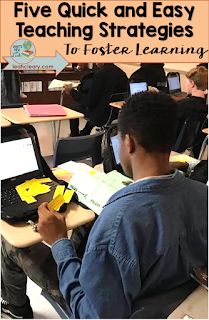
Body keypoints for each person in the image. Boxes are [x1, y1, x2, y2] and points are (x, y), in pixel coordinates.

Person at [1, 93, 207, 319]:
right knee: (85, 229)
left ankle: (17, 310)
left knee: (13, 246)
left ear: (128, 142)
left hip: (113, 309)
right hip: (167, 303)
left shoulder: (118, 223)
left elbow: (90, 314)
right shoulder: (202, 194)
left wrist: (59, 242)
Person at [65, 63, 128, 136]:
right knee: (97, 106)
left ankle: (74, 135)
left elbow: (89, 102)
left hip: (101, 115)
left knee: (73, 108)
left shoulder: (100, 74)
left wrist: (72, 92)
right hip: (116, 113)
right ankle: (85, 132)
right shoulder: (121, 73)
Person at [175, 66, 208, 156]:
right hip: (195, 151)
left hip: (177, 151)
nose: (186, 85)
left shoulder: (183, 105)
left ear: (192, 84)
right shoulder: (206, 106)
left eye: (187, 82)